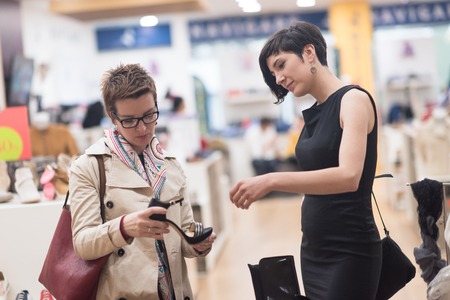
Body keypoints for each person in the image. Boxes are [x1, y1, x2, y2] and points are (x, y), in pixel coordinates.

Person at [229, 21, 382, 300]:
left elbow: (349, 176)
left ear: (309, 53)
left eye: (281, 65)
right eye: (273, 72)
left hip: (351, 251)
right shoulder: (314, 112)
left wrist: (272, 179)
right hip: (314, 251)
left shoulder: (353, 100)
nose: (278, 78)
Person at [69, 63, 216, 300]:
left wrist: (198, 244)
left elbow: (183, 235)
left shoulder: (170, 165)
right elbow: (83, 243)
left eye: (149, 115)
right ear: (112, 116)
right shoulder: (89, 166)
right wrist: (124, 227)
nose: (143, 127)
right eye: (129, 120)